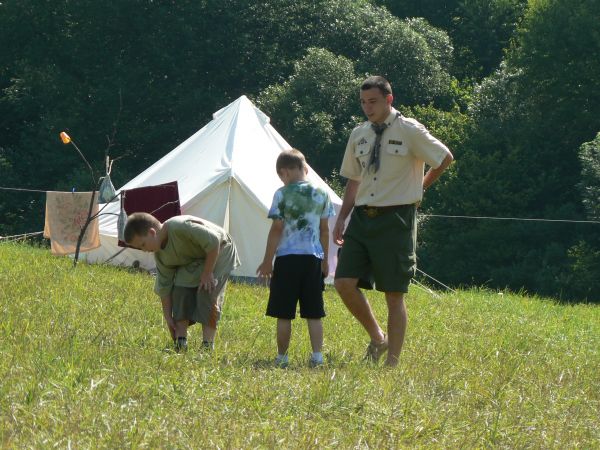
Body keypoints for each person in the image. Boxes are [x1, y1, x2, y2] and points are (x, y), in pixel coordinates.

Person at [334, 76, 454, 367]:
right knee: (343, 283)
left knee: (393, 293)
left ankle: (392, 365)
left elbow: (444, 157)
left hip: (396, 217)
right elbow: (354, 178)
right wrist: (342, 217)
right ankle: (378, 338)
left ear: (389, 99)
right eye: (363, 102)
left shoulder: (409, 129)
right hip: (363, 217)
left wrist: (418, 188)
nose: (367, 108)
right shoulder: (359, 134)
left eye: (373, 101)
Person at [257, 149, 335, 368]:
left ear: (284, 173)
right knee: (314, 312)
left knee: (284, 313)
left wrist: (267, 261)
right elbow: (324, 230)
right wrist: (325, 260)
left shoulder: (281, 194)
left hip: (287, 258)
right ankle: (317, 356)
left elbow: (276, 229)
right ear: (304, 167)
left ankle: (282, 357)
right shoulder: (322, 193)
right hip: (312, 259)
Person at [124, 212, 239, 352]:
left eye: (143, 244)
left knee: (207, 291)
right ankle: (181, 342)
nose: (144, 250)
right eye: (140, 248)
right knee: (180, 290)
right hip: (196, 258)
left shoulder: (179, 227)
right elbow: (164, 286)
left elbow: (214, 241)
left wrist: (207, 273)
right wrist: (168, 317)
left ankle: (207, 346)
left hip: (220, 248)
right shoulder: (160, 254)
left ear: (152, 232)